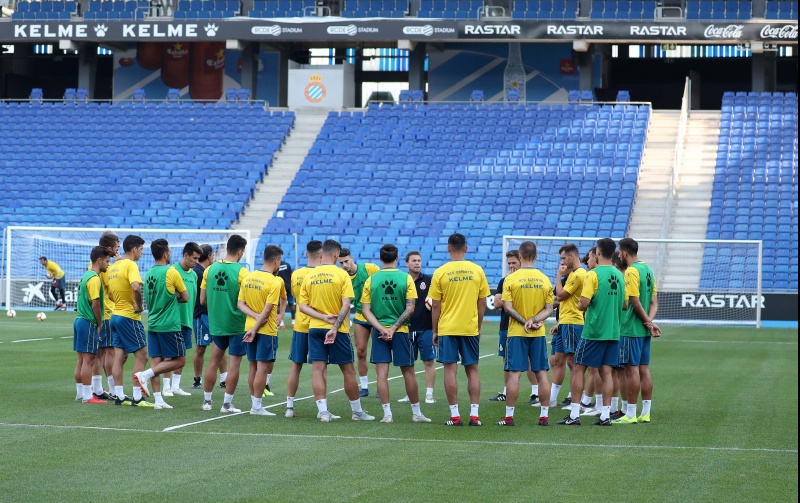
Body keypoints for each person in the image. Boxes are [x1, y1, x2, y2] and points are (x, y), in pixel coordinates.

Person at [298, 239, 374, 422]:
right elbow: (347, 304)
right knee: (348, 370)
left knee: (317, 369)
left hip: (315, 328)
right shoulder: (342, 276)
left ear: (322, 254)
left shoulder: (310, 275)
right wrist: (334, 326)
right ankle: (357, 412)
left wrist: (322, 317)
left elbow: (302, 306)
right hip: (337, 330)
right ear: (336, 254)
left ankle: (323, 412)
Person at [361, 243, 431, 424]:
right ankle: (416, 413)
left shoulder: (371, 280)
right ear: (398, 258)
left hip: (379, 332)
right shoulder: (406, 279)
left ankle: (387, 415)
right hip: (401, 331)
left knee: (381, 374)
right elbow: (411, 308)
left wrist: (383, 329)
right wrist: (393, 329)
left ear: (380, 259)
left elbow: (366, 311)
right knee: (408, 372)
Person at [558, 238, 624, 426]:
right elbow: (625, 304)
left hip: (594, 330)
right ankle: (605, 415)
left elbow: (583, 303)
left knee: (578, 368)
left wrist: (581, 305)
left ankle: (574, 414)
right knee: (606, 372)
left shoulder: (593, 275)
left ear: (599, 254)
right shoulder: (619, 275)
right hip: (613, 331)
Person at [430, 233, 490, 426]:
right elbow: (482, 302)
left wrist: (435, 330)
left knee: (450, 370)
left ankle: (455, 416)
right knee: (472, 369)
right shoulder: (477, 270)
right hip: (469, 327)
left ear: (448, 248)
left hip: (447, 327)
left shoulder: (440, 272)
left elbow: (436, 305)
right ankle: (474, 415)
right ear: (466, 248)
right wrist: (478, 326)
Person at [496, 241, 553, 426]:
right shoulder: (545, 279)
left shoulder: (510, 279)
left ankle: (509, 417)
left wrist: (524, 321)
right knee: (542, 374)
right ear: (536, 256)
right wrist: (535, 320)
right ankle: (544, 416)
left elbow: (507, 307)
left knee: (514, 374)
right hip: (538, 334)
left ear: (519, 256)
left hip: (516, 333)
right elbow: (549, 309)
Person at [133, 239, 189, 410]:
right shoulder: (171, 272)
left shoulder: (149, 273)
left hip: (153, 322)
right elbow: (185, 297)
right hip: (169, 324)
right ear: (166, 254)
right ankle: (145, 375)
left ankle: (158, 400)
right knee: (180, 360)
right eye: (170, 252)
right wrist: (174, 298)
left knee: (156, 362)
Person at [199, 234, 250, 413]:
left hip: (216, 323)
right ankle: (227, 404)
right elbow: (247, 301)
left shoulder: (209, 270)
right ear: (240, 251)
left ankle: (207, 401)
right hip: (236, 324)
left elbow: (202, 299)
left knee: (214, 361)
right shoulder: (242, 272)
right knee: (234, 364)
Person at [614, 237, 660, 424]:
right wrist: (649, 322)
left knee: (631, 371)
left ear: (624, 252)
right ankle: (646, 412)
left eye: (619, 252)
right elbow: (654, 303)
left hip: (631, 328)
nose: (618, 255)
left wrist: (647, 322)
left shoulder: (631, 272)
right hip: (643, 330)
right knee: (644, 370)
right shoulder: (648, 270)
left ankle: (631, 414)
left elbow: (634, 302)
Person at [238, 245, 287, 416]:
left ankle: (255, 404)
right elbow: (267, 310)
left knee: (253, 366)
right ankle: (257, 407)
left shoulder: (249, 277)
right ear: (276, 261)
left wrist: (253, 320)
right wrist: (260, 321)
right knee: (262, 368)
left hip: (249, 326)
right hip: (265, 329)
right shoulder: (274, 281)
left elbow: (240, 304)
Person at [489, 250, 540, 405]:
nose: (511, 266)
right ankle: (506, 391)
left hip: (528, 326)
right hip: (507, 326)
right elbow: (497, 303)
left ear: (521, 260)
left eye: (514, 263)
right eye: (509, 263)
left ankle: (535, 392)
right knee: (507, 360)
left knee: (530, 360)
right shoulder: (505, 281)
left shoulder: (531, 280)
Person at [107, 234, 151, 407]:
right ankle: (137, 397)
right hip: (128, 317)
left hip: (115, 316)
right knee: (142, 356)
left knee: (120, 357)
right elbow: (135, 287)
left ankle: (119, 396)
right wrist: (139, 306)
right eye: (141, 249)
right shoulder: (131, 265)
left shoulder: (113, 267)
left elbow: (110, 294)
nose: (141, 253)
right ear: (134, 249)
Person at [285, 240, 324, 418]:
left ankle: (289, 407)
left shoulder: (297, 274)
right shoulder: (325, 274)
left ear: (306, 254)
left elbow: (296, 296)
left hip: (301, 324)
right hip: (319, 325)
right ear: (322, 255)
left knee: (296, 366)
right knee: (319, 368)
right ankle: (322, 410)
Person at [82, 231, 120, 401]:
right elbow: (111, 293)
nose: (118, 249)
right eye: (117, 246)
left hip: (101, 314)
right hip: (107, 313)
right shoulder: (106, 267)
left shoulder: (94, 265)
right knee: (109, 352)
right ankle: (113, 389)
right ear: (110, 248)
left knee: (99, 353)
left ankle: (97, 388)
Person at [548, 243, 587, 408]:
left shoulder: (578, 275)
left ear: (572, 256)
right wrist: (559, 322)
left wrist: (558, 276)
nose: (562, 262)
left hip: (573, 322)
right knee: (558, 360)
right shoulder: (574, 274)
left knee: (573, 363)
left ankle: (576, 399)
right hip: (565, 322)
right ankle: (551, 399)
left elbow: (561, 295)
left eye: (564, 258)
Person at [337, 248, 380, 397]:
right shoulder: (343, 278)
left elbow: (381, 287)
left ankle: (381, 386)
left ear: (352, 258)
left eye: (346, 261)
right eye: (341, 262)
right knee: (361, 351)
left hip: (377, 316)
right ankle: (364, 387)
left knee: (379, 352)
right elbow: (346, 304)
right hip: (361, 317)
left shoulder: (370, 269)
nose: (344, 265)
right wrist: (346, 325)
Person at [162, 241, 202, 397]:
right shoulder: (172, 271)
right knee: (168, 354)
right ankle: (166, 387)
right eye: (194, 258)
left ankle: (175, 386)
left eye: (198, 259)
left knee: (181, 354)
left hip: (187, 319)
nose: (196, 262)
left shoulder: (193, 275)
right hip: (173, 320)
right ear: (185, 255)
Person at [73, 246, 113, 404]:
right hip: (88, 321)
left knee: (82, 360)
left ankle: (80, 393)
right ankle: (88, 396)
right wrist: (99, 323)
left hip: (79, 320)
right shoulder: (95, 279)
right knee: (89, 359)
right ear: (99, 260)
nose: (108, 265)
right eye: (107, 261)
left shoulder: (86, 276)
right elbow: (95, 304)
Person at [397, 251, 436, 404]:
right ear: (407, 263)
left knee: (428, 362)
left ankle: (429, 394)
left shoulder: (429, 280)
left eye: (419, 260)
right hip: (406, 328)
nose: (417, 263)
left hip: (426, 328)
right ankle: (410, 393)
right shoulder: (402, 281)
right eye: (414, 260)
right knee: (408, 363)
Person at [192, 244, 227, 389]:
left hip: (211, 314)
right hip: (201, 315)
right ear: (209, 256)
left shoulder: (207, 271)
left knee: (219, 345)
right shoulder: (198, 273)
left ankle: (224, 378)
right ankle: (197, 379)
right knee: (201, 347)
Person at [609, 251, 628, 420]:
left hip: (621, 329)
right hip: (621, 329)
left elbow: (626, 304)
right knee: (617, 371)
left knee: (620, 372)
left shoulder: (622, 279)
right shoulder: (626, 277)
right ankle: (617, 407)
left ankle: (624, 408)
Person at [276, 260, 293, 331]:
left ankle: (281, 323)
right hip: (289, 286)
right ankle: (293, 322)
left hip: (280, 286)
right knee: (291, 304)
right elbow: (291, 275)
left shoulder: (276, 265)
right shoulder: (287, 264)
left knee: (279, 305)